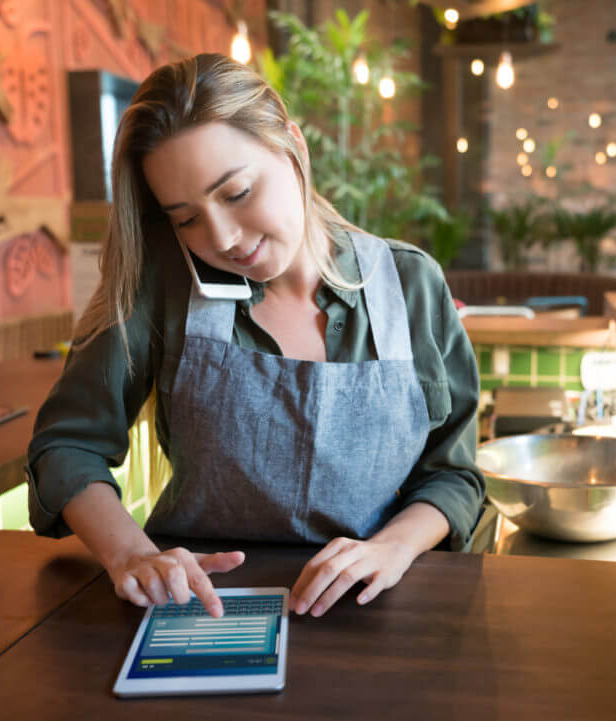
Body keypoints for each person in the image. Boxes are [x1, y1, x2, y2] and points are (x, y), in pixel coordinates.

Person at [27, 53, 484, 619]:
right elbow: (67, 446)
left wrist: (393, 547)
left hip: (371, 605)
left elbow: (454, 473)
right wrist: (131, 554)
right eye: (185, 218)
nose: (222, 238)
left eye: (237, 193)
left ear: (292, 146)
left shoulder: (410, 284)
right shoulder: (161, 287)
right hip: (199, 607)